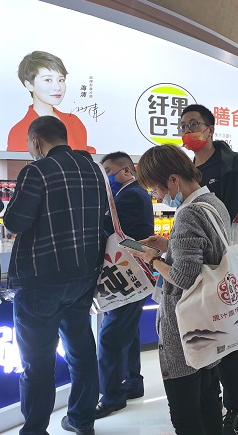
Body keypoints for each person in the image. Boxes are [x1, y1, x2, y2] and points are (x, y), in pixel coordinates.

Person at [179, 104, 238, 434]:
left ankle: (235, 409)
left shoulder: (232, 164)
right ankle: (211, 400)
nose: (188, 131)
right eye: (183, 126)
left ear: (210, 129)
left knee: (232, 335)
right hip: (196, 259)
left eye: (194, 124)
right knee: (204, 333)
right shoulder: (187, 166)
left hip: (227, 256)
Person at [5, 116, 106, 435]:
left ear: (36, 141)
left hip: (42, 279)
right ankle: (81, 420)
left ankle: (35, 429)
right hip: (83, 276)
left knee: (37, 361)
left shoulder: (36, 171)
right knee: (81, 351)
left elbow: (15, 222)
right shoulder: (93, 169)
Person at [129, 144, 231, 435]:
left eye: (157, 189)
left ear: (173, 180)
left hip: (186, 330)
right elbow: (205, 254)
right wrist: (168, 245)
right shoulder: (213, 202)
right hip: (210, 322)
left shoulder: (188, 214)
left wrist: (153, 259)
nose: (158, 196)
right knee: (209, 400)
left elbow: (184, 278)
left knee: (186, 415)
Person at [95, 152, 154, 419]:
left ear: (126, 171)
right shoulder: (132, 193)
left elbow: (110, 230)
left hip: (127, 272)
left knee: (110, 336)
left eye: (109, 171)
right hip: (132, 271)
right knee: (128, 332)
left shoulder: (130, 195)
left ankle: (111, 397)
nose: (107, 177)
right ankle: (132, 383)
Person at [8, 51, 92, 153]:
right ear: (29, 85)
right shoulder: (19, 131)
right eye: (48, 80)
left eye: (61, 80)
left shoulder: (74, 122)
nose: (57, 87)